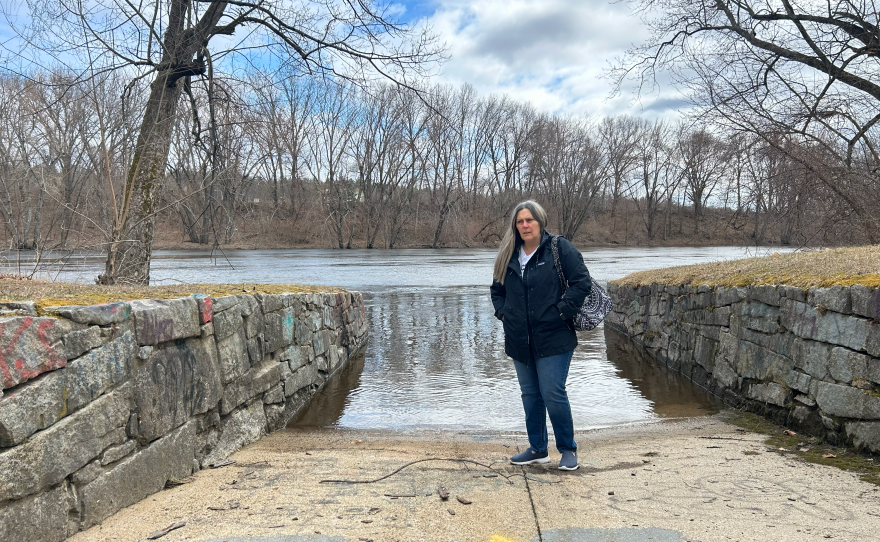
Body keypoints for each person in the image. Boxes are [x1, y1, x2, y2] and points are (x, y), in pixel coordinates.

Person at [490, 200, 592, 471]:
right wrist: (504, 315)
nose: (525, 225)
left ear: (540, 221)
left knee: (552, 392)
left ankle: (568, 449)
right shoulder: (508, 254)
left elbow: (582, 282)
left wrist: (561, 311)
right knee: (530, 395)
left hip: (554, 336)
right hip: (519, 338)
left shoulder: (559, 248)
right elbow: (497, 292)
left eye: (530, 220)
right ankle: (537, 449)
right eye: (520, 221)